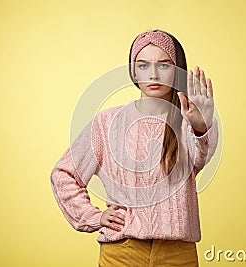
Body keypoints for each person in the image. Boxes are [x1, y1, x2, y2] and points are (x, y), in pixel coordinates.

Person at [50, 29, 219, 266]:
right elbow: (64, 174)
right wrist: (93, 216)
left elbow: (199, 162)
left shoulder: (190, 121)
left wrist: (201, 127)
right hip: (122, 252)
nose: (153, 74)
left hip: (177, 253)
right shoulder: (107, 122)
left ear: (177, 69)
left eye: (163, 65)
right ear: (133, 70)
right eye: (143, 65)